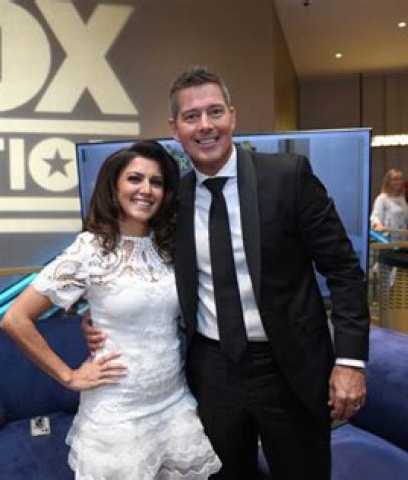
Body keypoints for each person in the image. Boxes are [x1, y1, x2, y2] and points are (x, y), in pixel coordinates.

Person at [85, 66, 369, 479]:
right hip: (212, 370)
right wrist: (98, 318)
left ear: (232, 116)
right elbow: (136, 267)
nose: (205, 125)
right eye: (191, 116)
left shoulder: (288, 177)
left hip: (289, 368)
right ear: (175, 129)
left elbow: (344, 270)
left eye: (214, 112)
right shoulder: (170, 202)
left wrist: (350, 361)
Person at [1, 140, 221, 479]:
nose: (146, 189)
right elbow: (15, 320)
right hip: (119, 410)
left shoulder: (168, 247)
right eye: (134, 178)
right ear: (114, 186)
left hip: (173, 401)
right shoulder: (90, 250)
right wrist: (69, 376)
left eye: (156, 182)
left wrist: (93, 318)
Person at [370, 169, 408, 237]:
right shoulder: (382, 198)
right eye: (395, 179)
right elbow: (374, 217)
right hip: (388, 238)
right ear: (388, 182)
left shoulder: (402, 198)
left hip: (403, 237)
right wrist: (377, 224)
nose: (399, 182)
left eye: (400, 179)